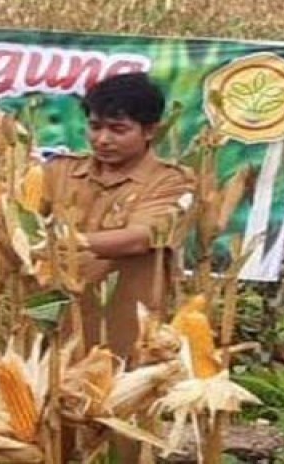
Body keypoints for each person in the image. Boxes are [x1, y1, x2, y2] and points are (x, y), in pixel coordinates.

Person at [40, 71, 195, 357]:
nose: (102, 139)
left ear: (150, 131)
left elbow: (141, 237)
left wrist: (71, 241)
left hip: (130, 332)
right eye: (95, 127)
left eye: (118, 129)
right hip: (60, 325)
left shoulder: (171, 181)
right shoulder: (59, 171)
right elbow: (17, 216)